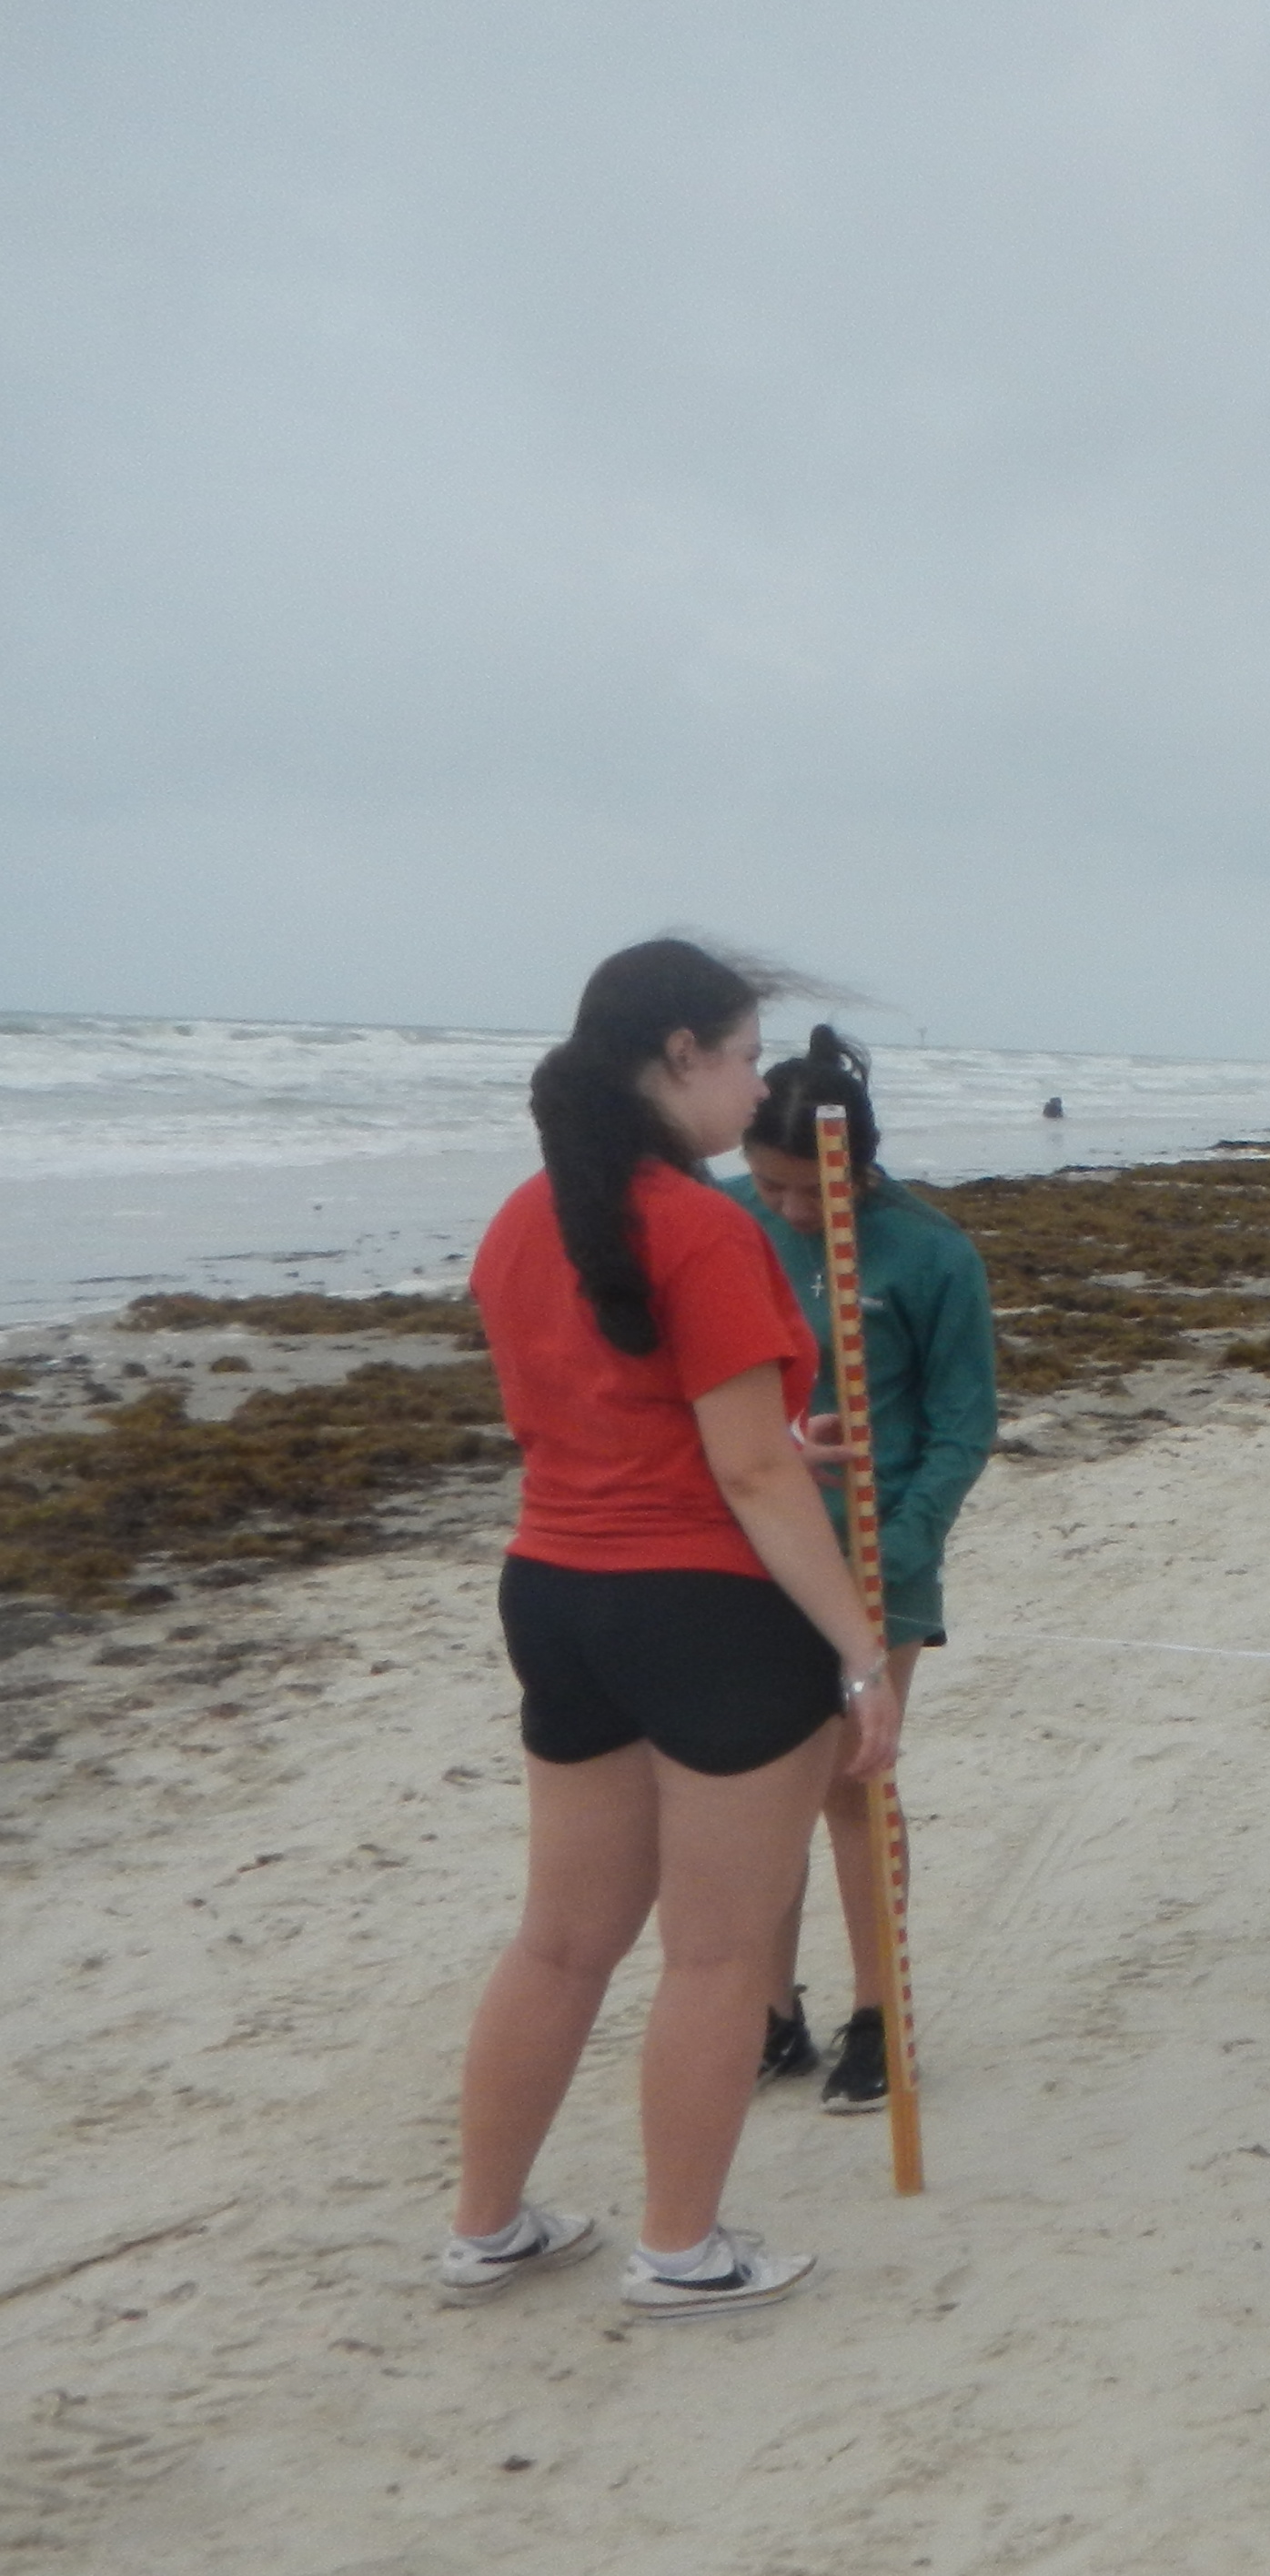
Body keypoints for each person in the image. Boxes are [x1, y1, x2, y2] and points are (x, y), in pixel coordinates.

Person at [439, 940, 902, 2319]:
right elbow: (749, 1477)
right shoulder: (707, 1230)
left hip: (559, 1597)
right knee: (715, 1950)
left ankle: (486, 2226)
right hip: (704, 1613)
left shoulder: (525, 1219)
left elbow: (627, 1419)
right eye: (748, 1054)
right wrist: (862, 1653)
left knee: (561, 1939)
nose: (756, 1080)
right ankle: (682, 2248)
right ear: (682, 1057)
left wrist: (764, 1447)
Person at [723, 1028, 999, 2113]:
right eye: (772, 1186)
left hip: (880, 1558)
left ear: (857, 1164)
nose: (793, 1210)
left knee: (852, 1783)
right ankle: (769, 2010)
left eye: (811, 1190)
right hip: (745, 1548)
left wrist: (902, 1542)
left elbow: (963, 1424)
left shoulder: (928, 1254)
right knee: (760, 1793)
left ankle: (878, 2015)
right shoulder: (726, 1223)